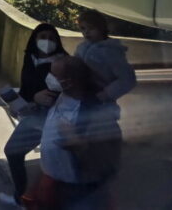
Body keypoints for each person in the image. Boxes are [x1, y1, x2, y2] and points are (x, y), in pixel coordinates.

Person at [0, 24, 68, 207]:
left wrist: (42, 99)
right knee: (13, 152)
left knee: (51, 162)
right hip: (33, 113)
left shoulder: (63, 63)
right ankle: (21, 196)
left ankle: (29, 199)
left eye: (52, 38)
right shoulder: (30, 58)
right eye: (43, 36)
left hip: (52, 117)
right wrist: (19, 103)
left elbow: (69, 93)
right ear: (34, 39)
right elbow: (28, 88)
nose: (47, 41)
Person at [38, 56, 122, 209]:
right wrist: (35, 99)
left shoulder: (97, 115)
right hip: (54, 180)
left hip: (79, 191)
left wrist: (78, 144)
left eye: (55, 76)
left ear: (71, 81)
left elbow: (107, 162)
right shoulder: (59, 95)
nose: (49, 79)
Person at [75, 9, 136, 112]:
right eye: (83, 28)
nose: (86, 32)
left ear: (101, 28)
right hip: (82, 98)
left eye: (91, 28)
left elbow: (127, 79)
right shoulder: (81, 48)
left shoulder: (111, 51)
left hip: (102, 102)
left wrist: (105, 94)